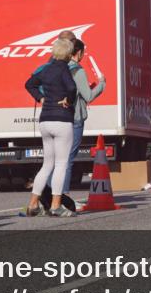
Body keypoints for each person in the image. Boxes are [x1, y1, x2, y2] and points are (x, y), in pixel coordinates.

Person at [22, 38, 78, 217]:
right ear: (68, 54)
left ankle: (33, 205)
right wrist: (68, 100)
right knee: (61, 164)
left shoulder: (45, 69)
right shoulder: (64, 69)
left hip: (45, 120)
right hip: (62, 120)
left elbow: (29, 84)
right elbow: (72, 88)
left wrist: (40, 97)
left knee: (47, 165)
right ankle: (55, 206)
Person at [61, 38, 106, 204]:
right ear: (78, 52)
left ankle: (52, 197)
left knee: (57, 160)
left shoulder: (60, 68)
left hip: (60, 117)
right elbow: (88, 96)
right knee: (68, 159)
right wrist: (102, 84)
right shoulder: (78, 71)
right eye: (83, 52)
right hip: (75, 118)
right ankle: (64, 196)